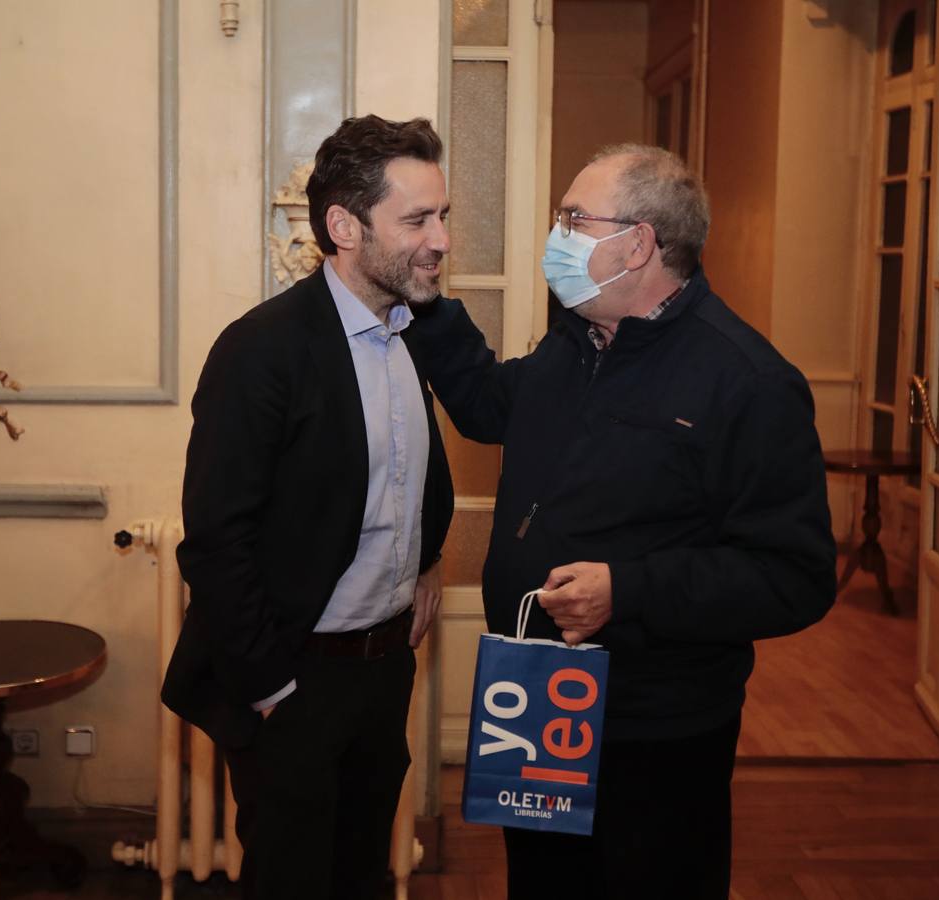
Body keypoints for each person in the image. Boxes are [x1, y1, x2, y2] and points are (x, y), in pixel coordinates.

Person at [412, 144, 836, 898]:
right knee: (543, 886)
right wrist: (422, 301)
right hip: (539, 698)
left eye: (574, 219)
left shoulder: (748, 382)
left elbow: (794, 577)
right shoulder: (574, 343)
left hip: (657, 722)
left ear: (639, 243)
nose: (558, 235)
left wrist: (629, 590)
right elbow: (487, 405)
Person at [161, 115, 454, 900]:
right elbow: (217, 541)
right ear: (343, 226)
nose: (441, 240)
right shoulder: (262, 350)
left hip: (384, 673)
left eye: (443, 216)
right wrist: (272, 693)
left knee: (360, 878)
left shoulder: (409, 333)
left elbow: (410, 477)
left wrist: (427, 561)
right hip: (296, 684)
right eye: (418, 219)